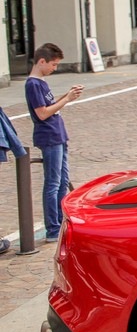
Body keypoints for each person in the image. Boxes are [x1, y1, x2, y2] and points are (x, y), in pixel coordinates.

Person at [25, 43, 83, 242]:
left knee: (61, 181)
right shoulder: (33, 84)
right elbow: (42, 113)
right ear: (42, 61)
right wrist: (66, 99)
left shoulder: (40, 82)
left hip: (57, 135)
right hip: (49, 136)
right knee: (53, 182)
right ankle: (52, 227)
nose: (54, 68)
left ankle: (59, 222)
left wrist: (66, 97)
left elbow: (50, 106)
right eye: (53, 64)